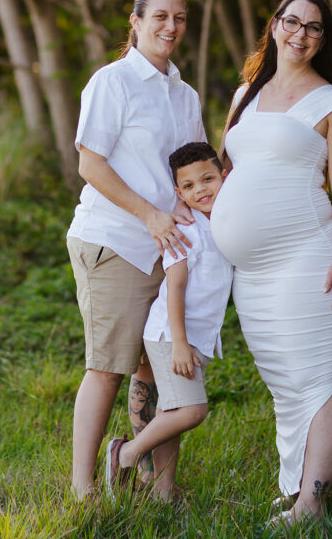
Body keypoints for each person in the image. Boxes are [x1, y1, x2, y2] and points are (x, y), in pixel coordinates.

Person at [210, 0, 332, 528]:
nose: (300, 34)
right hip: (251, 271)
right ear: (274, 26)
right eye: (291, 22)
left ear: (324, 39)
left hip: (305, 255)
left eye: (314, 27)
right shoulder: (245, 95)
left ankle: (313, 506)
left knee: (315, 377)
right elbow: (225, 170)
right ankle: (298, 486)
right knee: (283, 378)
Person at [66, 0, 207, 501]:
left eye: (180, 18)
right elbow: (90, 163)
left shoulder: (184, 93)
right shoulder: (113, 82)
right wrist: (150, 213)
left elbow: (191, 169)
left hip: (167, 251)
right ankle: (85, 489)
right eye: (160, 17)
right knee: (108, 368)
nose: (171, 27)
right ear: (136, 21)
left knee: (157, 367)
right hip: (116, 242)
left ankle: (156, 483)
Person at [104, 142, 233, 503]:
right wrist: (179, 343)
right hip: (171, 336)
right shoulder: (185, 231)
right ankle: (124, 455)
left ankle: (162, 491)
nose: (200, 190)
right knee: (192, 411)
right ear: (179, 194)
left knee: (170, 413)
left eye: (207, 179)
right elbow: (174, 289)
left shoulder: (220, 226)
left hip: (195, 338)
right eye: (189, 187)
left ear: (225, 177)